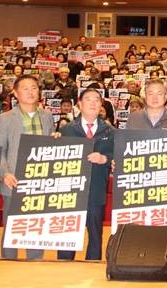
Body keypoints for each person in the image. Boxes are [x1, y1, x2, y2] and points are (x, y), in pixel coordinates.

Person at [0, 75, 55, 260]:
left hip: (38, 180)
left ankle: (35, 261)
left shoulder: (47, 117)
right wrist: (4, 174)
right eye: (25, 88)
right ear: (15, 92)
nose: (30, 92)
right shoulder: (5, 118)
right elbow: (0, 150)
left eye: (34, 88)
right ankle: (8, 263)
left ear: (39, 92)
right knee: (12, 228)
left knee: (36, 225)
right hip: (14, 179)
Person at [59, 87, 114, 260]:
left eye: (97, 99)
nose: (93, 102)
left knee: (96, 235)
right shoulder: (66, 130)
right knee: (66, 235)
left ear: (101, 105)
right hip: (70, 191)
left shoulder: (109, 131)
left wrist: (104, 158)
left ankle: (92, 270)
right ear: (80, 104)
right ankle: (63, 268)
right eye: (88, 99)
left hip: (96, 189)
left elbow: (117, 156)